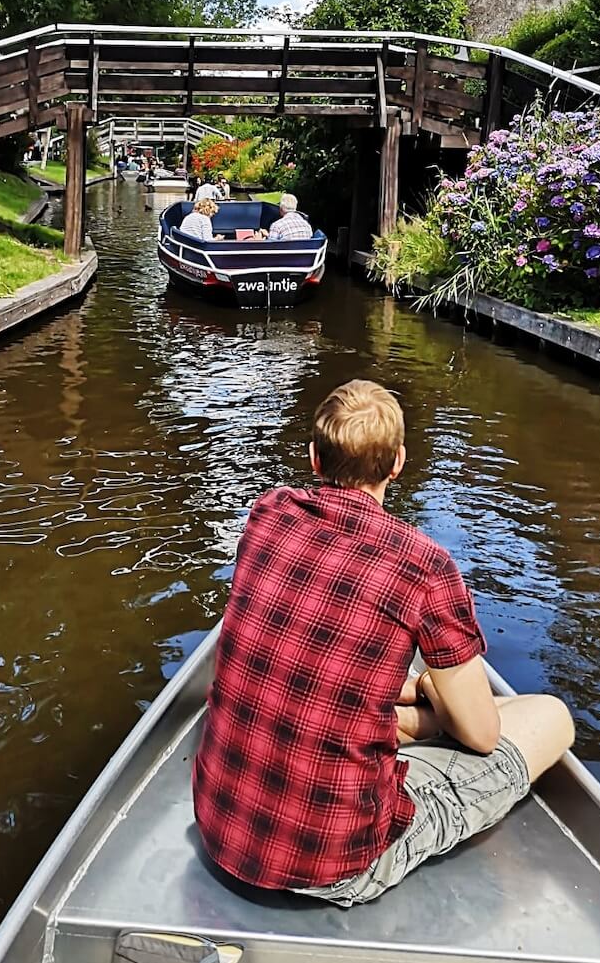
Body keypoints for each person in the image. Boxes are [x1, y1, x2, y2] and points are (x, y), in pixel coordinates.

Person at [193, 379, 574, 904]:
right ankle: (432, 713)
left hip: (220, 829)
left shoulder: (268, 513)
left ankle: (426, 712)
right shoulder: (424, 565)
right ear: (397, 462)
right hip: (336, 860)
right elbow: (484, 737)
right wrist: (437, 695)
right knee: (549, 715)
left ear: (314, 459)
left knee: (390, 701)